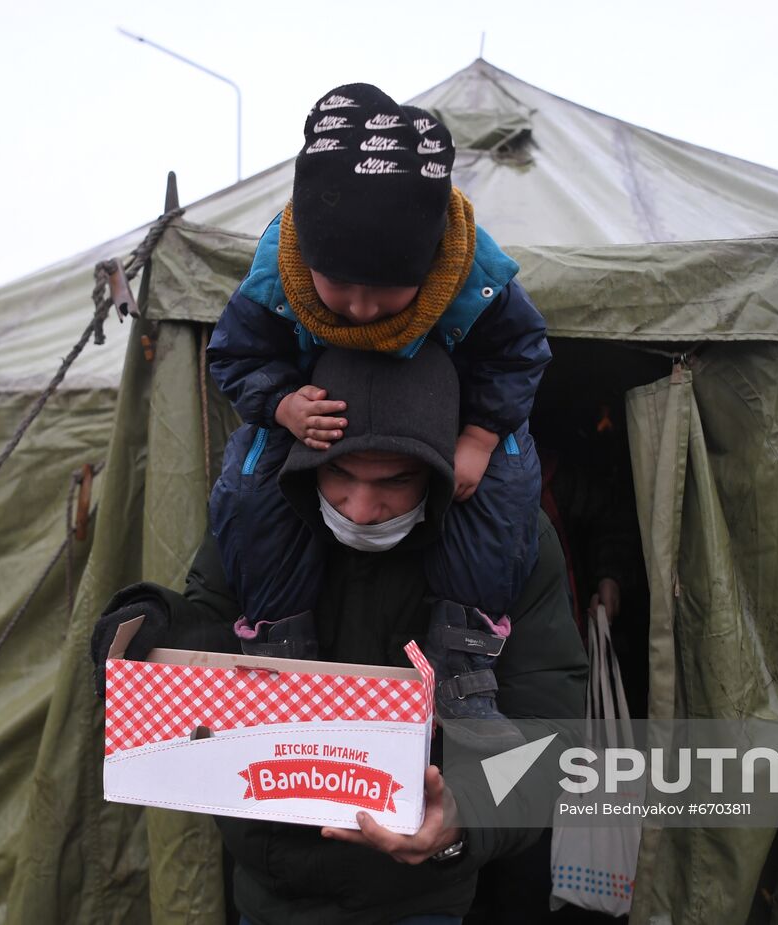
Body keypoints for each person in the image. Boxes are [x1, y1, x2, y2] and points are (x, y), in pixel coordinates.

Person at [91, 345, 587, 925]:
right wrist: (153, 623)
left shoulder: (508, 548)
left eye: (395, 481)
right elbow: (216, 630)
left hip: (417, 898)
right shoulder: (261, 525)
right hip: (270, 885)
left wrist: (460, 818)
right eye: (338, 476)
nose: (362, 508)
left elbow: (549, 735)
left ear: (440, 471)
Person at [204, 82, 551, 746]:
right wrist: (280, 402)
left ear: (429, 264)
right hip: (315, 419)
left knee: (505, 487)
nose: (360, 309)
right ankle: (280, 646)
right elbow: (237, 353)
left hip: (453, 417)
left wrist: (479, 435)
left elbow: (517, 352)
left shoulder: (472, 272)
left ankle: (464, 658)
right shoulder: (277, 275)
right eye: (341, 289)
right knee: (248, 488)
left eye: (386, 291)